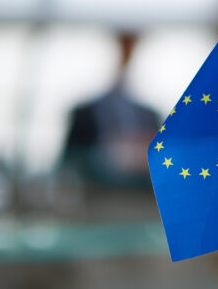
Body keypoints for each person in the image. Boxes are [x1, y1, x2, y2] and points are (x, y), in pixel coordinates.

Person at [62, 32, 159, 188]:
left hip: (140, 198)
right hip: (96, 194)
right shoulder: (84, 114)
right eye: (124, 45)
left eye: (131, 45)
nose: (127, 51)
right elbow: (70, 162)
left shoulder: (150, 116)